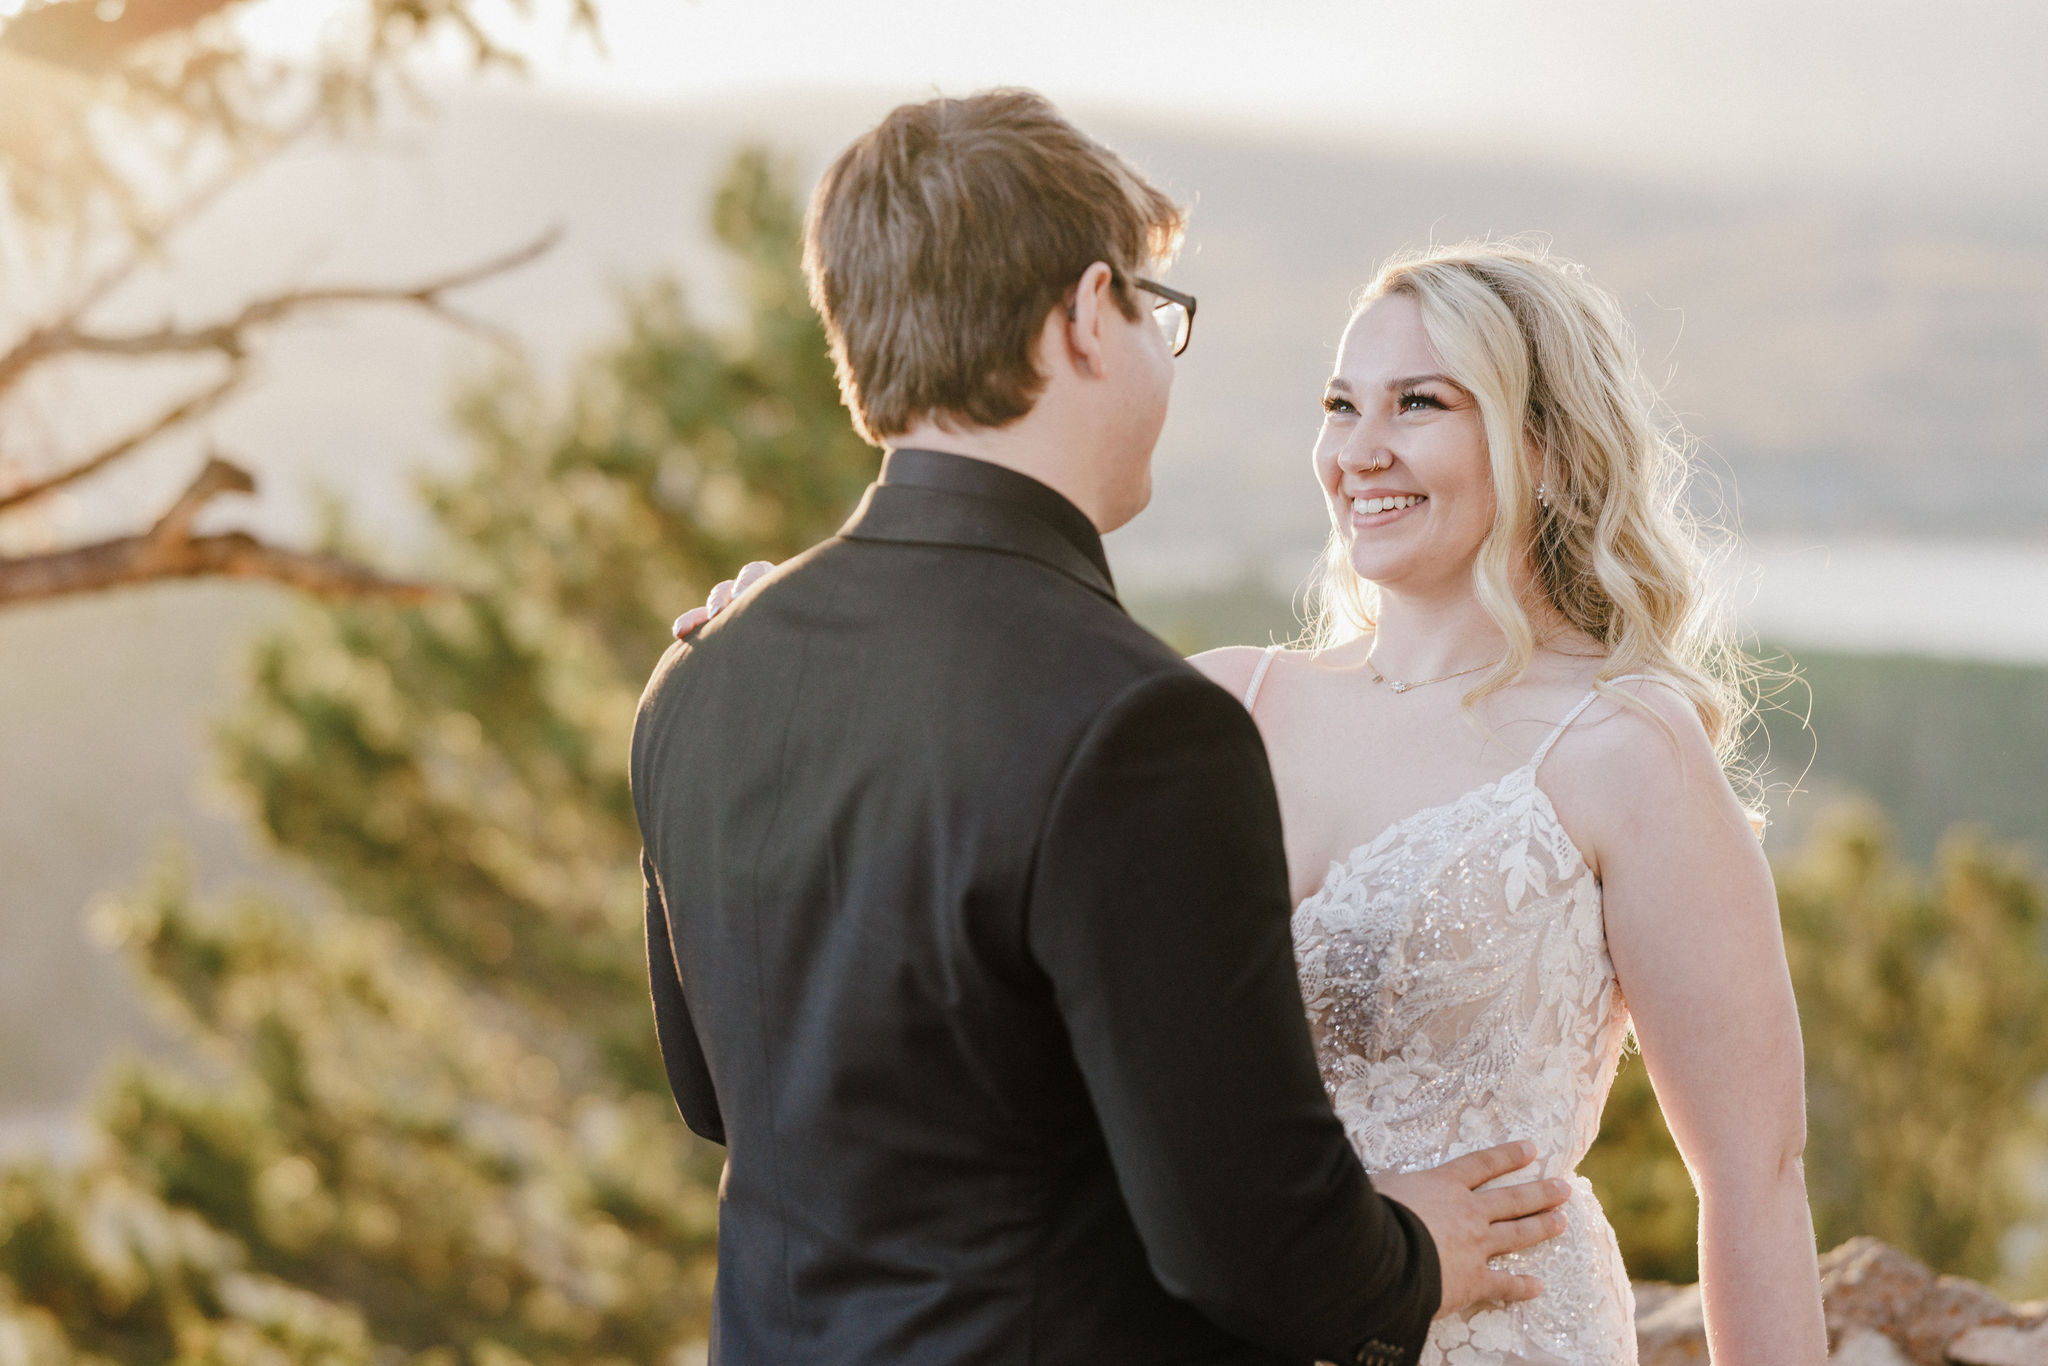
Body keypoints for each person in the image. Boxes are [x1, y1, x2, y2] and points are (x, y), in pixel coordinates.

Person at [682, 238, 1836, 1363]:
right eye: (1340, 406)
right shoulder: (1216, 700)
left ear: (1544, 445)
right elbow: (962, 833)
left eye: (1417, 404)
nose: (1358, 450)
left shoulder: (1622, 745)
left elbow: (1752, 1171)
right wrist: (788, 658)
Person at [633, 91, 1567, 1366]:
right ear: (1083, 317)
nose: (1153, 351)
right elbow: (1246, 1245)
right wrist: (1413, 1250)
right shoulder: (1139, 728)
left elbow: (719, 1095)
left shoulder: (698, 680)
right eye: (1150, 310)